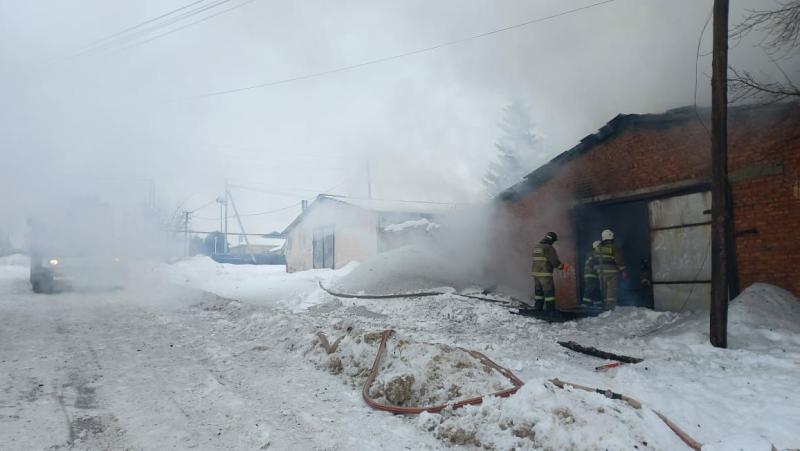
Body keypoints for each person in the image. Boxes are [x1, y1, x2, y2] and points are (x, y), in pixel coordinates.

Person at [531, 231, 569, 311]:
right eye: (553, 241)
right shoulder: (548, 248)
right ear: (551, 240)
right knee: (549, 293)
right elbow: (554, 261)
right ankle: (550, 310)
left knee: (539, 293)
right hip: (545, 275)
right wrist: (562, 267)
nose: (553, 243)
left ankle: (538, 309)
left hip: (536, 275)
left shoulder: (537, 247)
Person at [595, 229, 626, 308]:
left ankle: (604, 307)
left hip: (600, 272)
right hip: (611, 272)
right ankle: (610, 307)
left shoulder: (598, 248)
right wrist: (623, 270)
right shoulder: (613, 248)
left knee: (603, 290)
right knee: (611, 290)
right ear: (610, 237)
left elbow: (594, 260)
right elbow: (619, 260)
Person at [582, 240, 602, 308]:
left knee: (596, 288)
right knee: (590, 288)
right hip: (591, 275)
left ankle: (598, 303)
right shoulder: (594, 253)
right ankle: (586, 303)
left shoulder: (591, 253)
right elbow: (593, 263)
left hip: (592, 275)